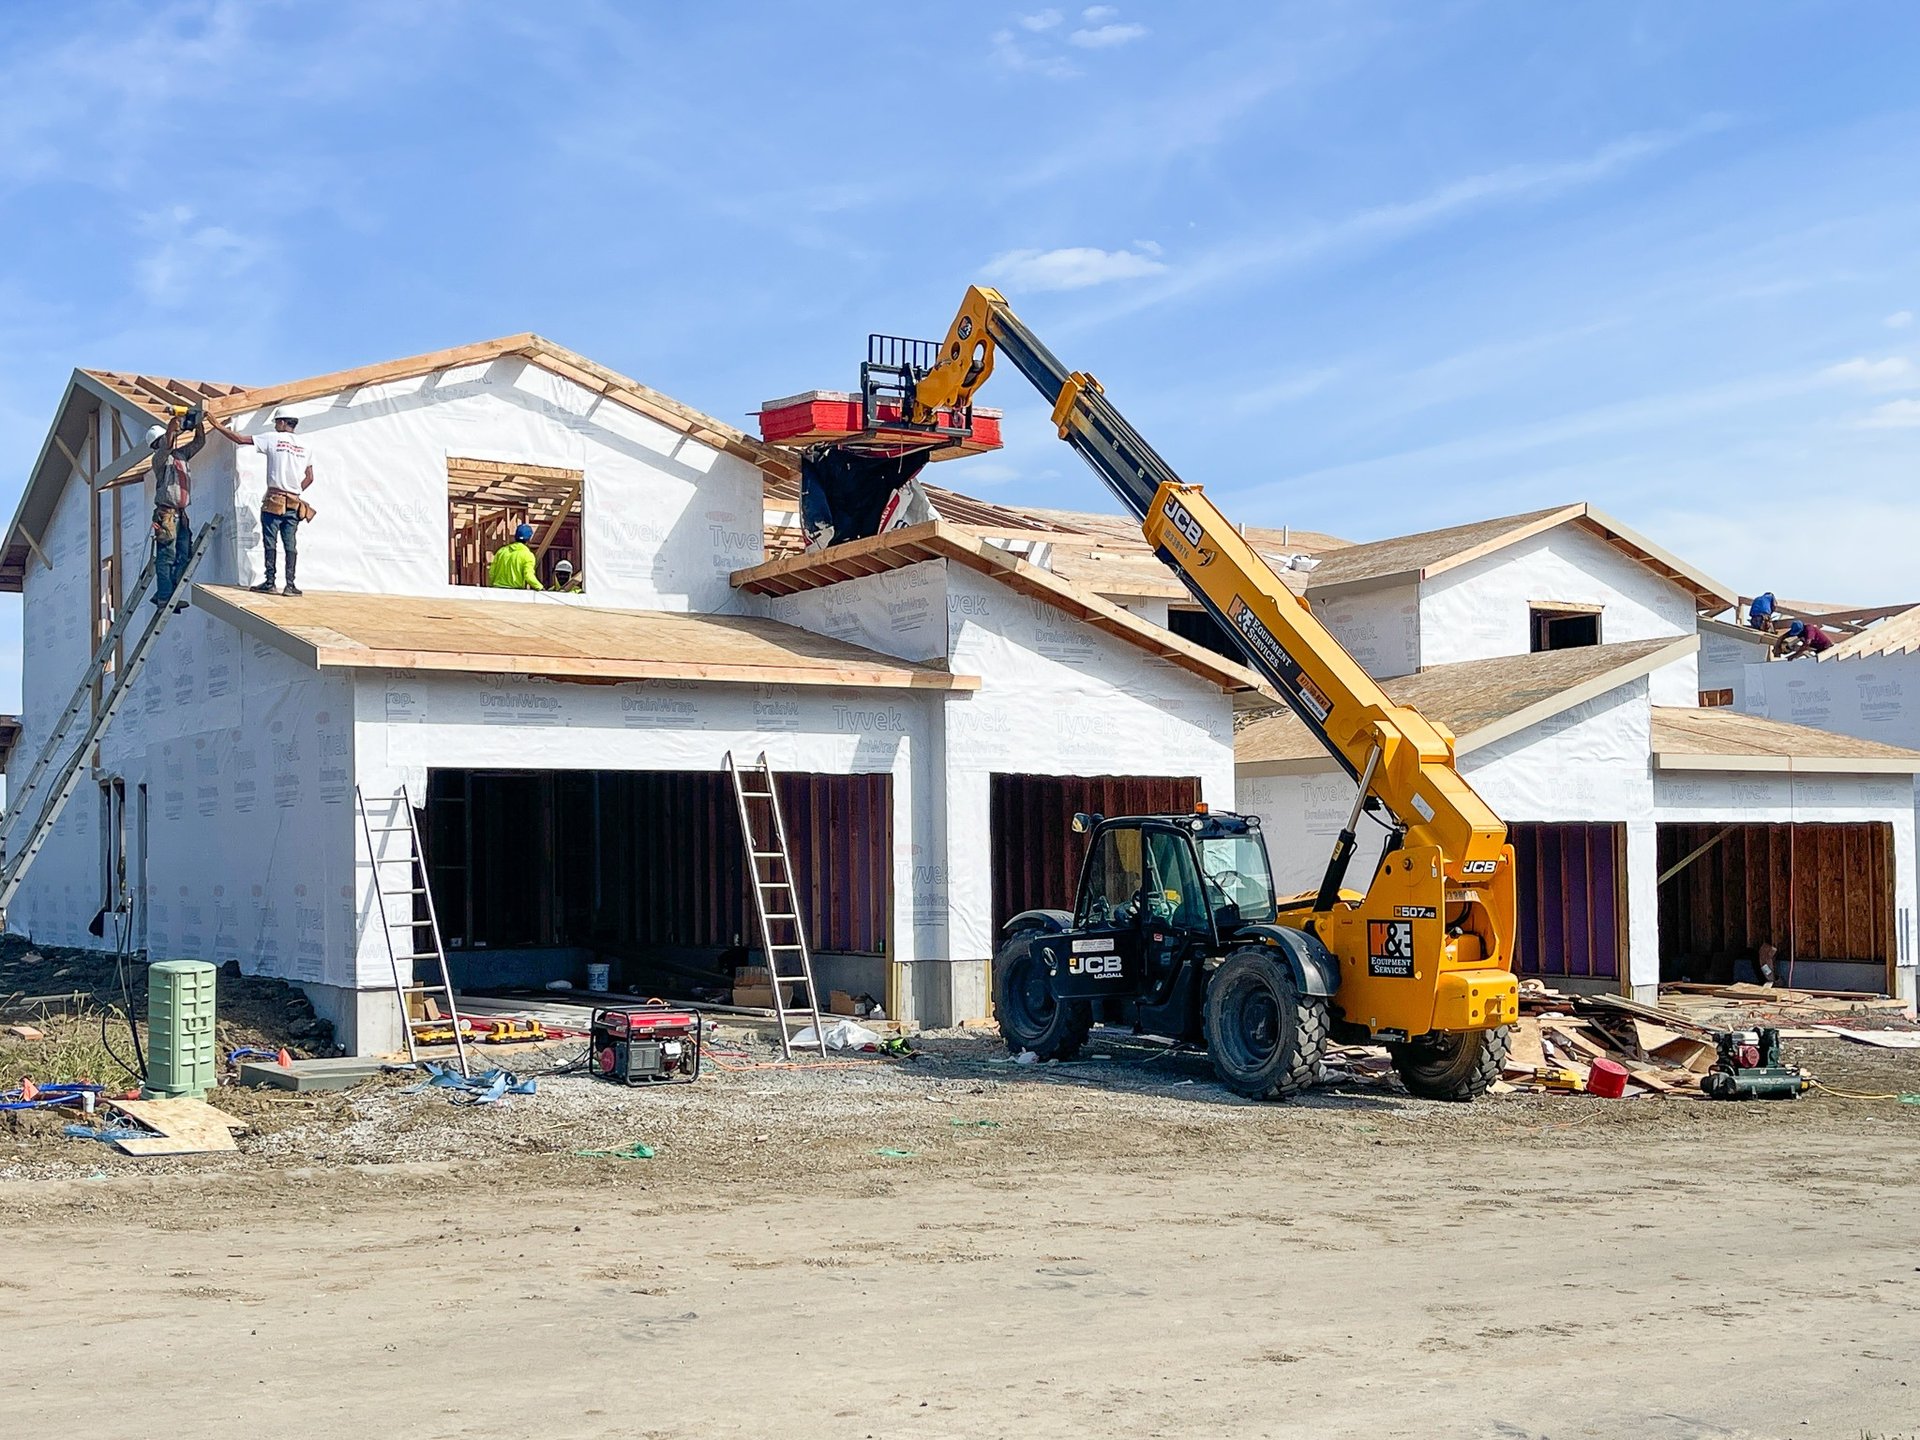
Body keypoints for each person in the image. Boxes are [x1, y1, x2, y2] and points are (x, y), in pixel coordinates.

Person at [208, 408, 315, 596]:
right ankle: (290, 585)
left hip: (275, 500)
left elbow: (240, 440)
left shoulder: (273, 438)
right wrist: (295, 491)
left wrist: (216, 425)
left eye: (276, 423)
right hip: (294, 503)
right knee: (290, 543)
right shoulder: (306, 446)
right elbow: (310, 477)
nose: (275, 425)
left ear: (282, 422)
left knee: (270, 541)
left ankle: (270, 582)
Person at [147, 412, 205, 606]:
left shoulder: (180, 455)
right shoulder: (159, 459)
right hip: (167, 516)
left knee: (184, 554)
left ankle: (167, 593)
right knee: (166, 556)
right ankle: (165, 596)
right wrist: (173, 425)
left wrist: (198, 423)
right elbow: (168, 444)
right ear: (157, 443)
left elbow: (199, 442)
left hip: (180, 515)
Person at [488, 523, 544, 589]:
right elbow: (528, 575)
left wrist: (492, 586)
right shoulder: (528, 555)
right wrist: (540, 587)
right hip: (515, 592)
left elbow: (492, 572)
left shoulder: (501, 551)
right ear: (530, 538)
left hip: (497, 589)